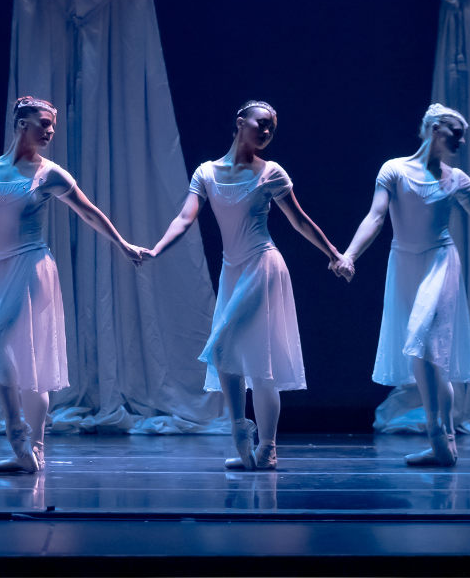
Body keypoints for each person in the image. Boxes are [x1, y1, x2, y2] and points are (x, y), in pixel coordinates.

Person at [0, 97, 146, 475]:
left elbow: (88, 211)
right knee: (25, 364)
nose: (51, 130)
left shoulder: (50, 173)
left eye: (53, 124)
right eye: (44, 123)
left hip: (33, 267)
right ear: (22, 124)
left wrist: (123, 244)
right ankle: (32, 455)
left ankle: (19, 437)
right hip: (0, 270)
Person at [335, 104, 470, 467]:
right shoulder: (394, 169)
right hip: (405, 265)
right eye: (457, 133)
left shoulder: (457, 179)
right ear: (436, 129)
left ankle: (437, 434)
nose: (461, 141)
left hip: (440, 262)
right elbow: (376, 216)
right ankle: (446, 444)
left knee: (421, 338)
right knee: (429, 356)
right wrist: (350, 255)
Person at [145, 101, 348, 471]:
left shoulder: (271, 173)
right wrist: (157, 248)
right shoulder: (206, 172)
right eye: (262, 123)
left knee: (226, 347)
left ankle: (249, 435)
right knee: (249, 359)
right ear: (240, 122)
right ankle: (262, 448)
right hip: (232, 271)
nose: (267, 131)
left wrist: (334, 254)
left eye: (272, 128)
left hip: (263, 265)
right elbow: (185, 218)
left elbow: (300, 221)